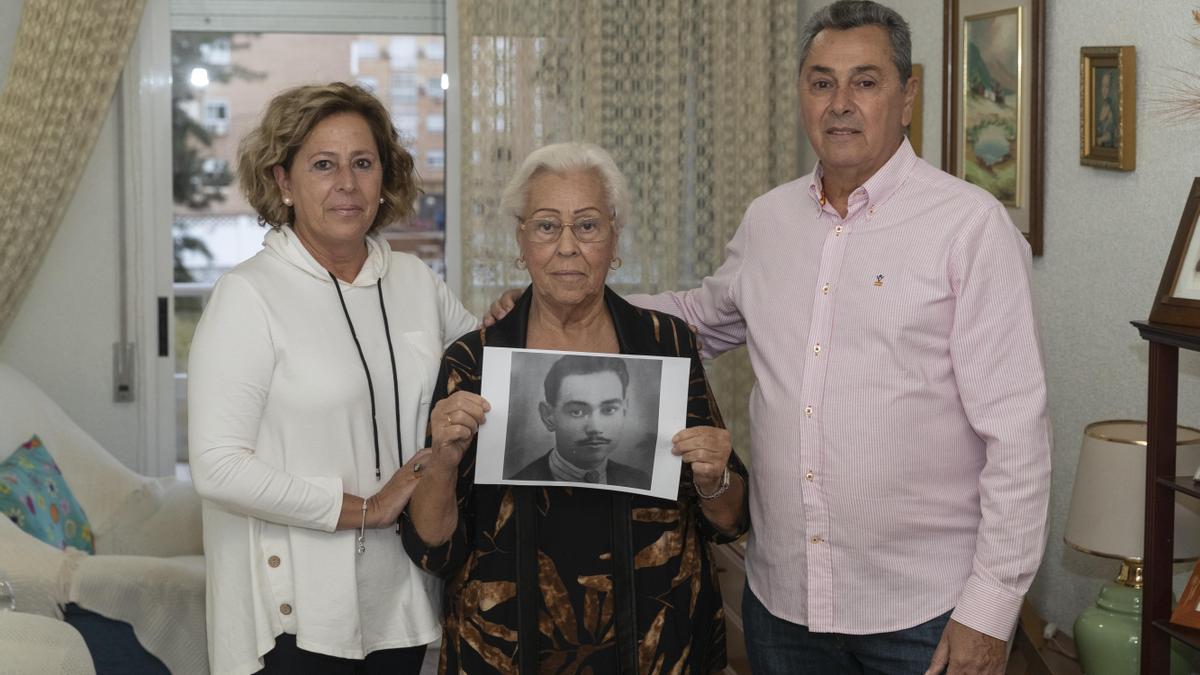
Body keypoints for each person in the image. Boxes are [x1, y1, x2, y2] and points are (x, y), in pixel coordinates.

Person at [486, 2, 1052, 674]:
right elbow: (699, 316)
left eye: (865, 82)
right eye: (821, 82)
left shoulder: (971, 228)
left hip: (922, 612)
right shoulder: (770, 219)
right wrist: (565, 300)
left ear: (907, 97)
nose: (840, 103)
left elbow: (1018, 435)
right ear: (802, 96)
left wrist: (989, 611)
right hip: (782, 603)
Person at [401, 142, 750, 673]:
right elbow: (433, 549)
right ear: (521, 242)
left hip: (658, 646)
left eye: (587, 226)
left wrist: (713, 478)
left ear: (614, 239)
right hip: (506, 651)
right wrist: (443, 464)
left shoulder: (665, 343)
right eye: (545, 226)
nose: (567, 246)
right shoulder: (476, 359)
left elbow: (729, 521)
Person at [188, 82, 477, 675]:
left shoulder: (415, 283)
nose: (347, 183)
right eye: (324, 165)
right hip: (294, 614)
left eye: (362, 163)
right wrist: (364, 507)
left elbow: (488, 372)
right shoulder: (247, 296)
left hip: (399, 597)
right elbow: (217, 465)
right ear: (283, 182)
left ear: (384, 177)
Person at [508, 354, 652, 489]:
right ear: (548, 416)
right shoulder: (515, 487)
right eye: (577, 412)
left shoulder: (641, 482)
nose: (595, 428)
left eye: (608, 410)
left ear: (624, 410)